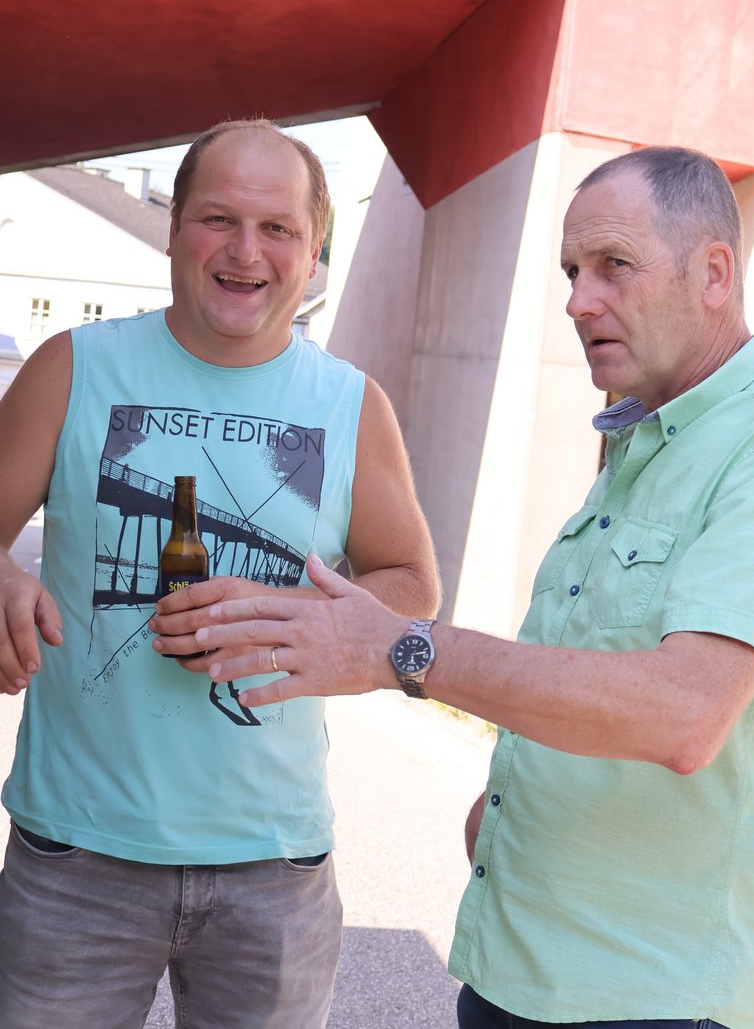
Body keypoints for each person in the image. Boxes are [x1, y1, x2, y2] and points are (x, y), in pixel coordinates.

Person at [155, 146, 754, 1029]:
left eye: (614, 265)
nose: (578, 300)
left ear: (715, 274)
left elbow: (684, 713)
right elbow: (596, 666)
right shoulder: (645, 441)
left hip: (652, 1000)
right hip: (523, 971)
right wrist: (509, 803)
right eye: (572, 272)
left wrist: (405, 650)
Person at [0, 118, 440, 1029]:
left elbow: (410, 583)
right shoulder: (71, 366)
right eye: (217, 219)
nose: (246, 251)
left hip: (273, 867)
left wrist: (283, 618)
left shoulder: (352, 405)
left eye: (277, 228)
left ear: (314, 253)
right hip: (76, 856)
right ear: (173, 229)